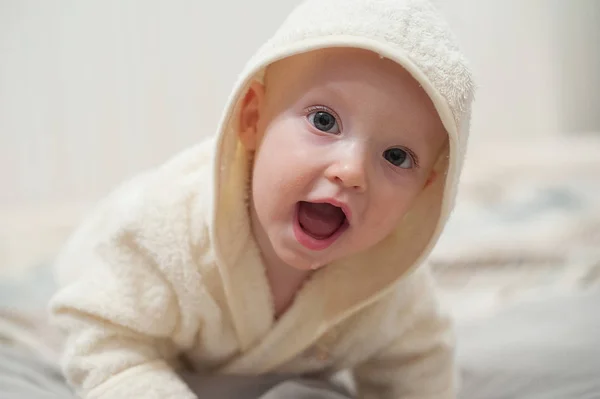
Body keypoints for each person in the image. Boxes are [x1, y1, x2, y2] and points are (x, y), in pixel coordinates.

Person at [49, 0, 475, 398]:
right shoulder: (164, 233)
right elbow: (105, 340)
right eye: (324, 121)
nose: (351, 170)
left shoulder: (390, 285)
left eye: (396, 156)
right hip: (100, 258)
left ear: (426, 189)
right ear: (253, 118)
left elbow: (420, 368)